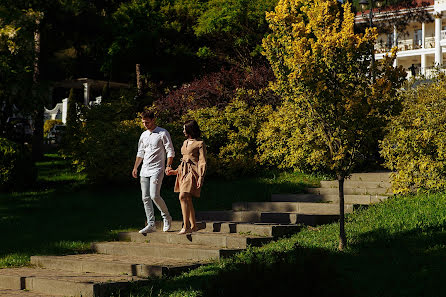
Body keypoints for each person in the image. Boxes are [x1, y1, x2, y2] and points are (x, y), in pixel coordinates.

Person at [132, 111, 174, 234]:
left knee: (154, 195)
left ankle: (166, 217)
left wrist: (168, 165)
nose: (145, 124)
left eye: (147, 122)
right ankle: (151, 224)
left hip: (157, 169)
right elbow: (140, 152)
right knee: (145, 197)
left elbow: (170, 150)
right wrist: (135, 167)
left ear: (153, 120)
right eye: (143, 122)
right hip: (144, 169)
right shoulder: (143, 135)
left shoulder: (162, 133)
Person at [166, 120, 207, 234]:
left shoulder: (200, 143)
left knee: (182, 196)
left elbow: (202, 161)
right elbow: (184, 160)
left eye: (185, 128)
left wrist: (201, 176)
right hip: (183, 172)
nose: (183, 131)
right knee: (187, 198)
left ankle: (186, 226)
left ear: (190, 129)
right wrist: (175, 171)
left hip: (193, 173)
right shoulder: (185, 142)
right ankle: (193, 226)